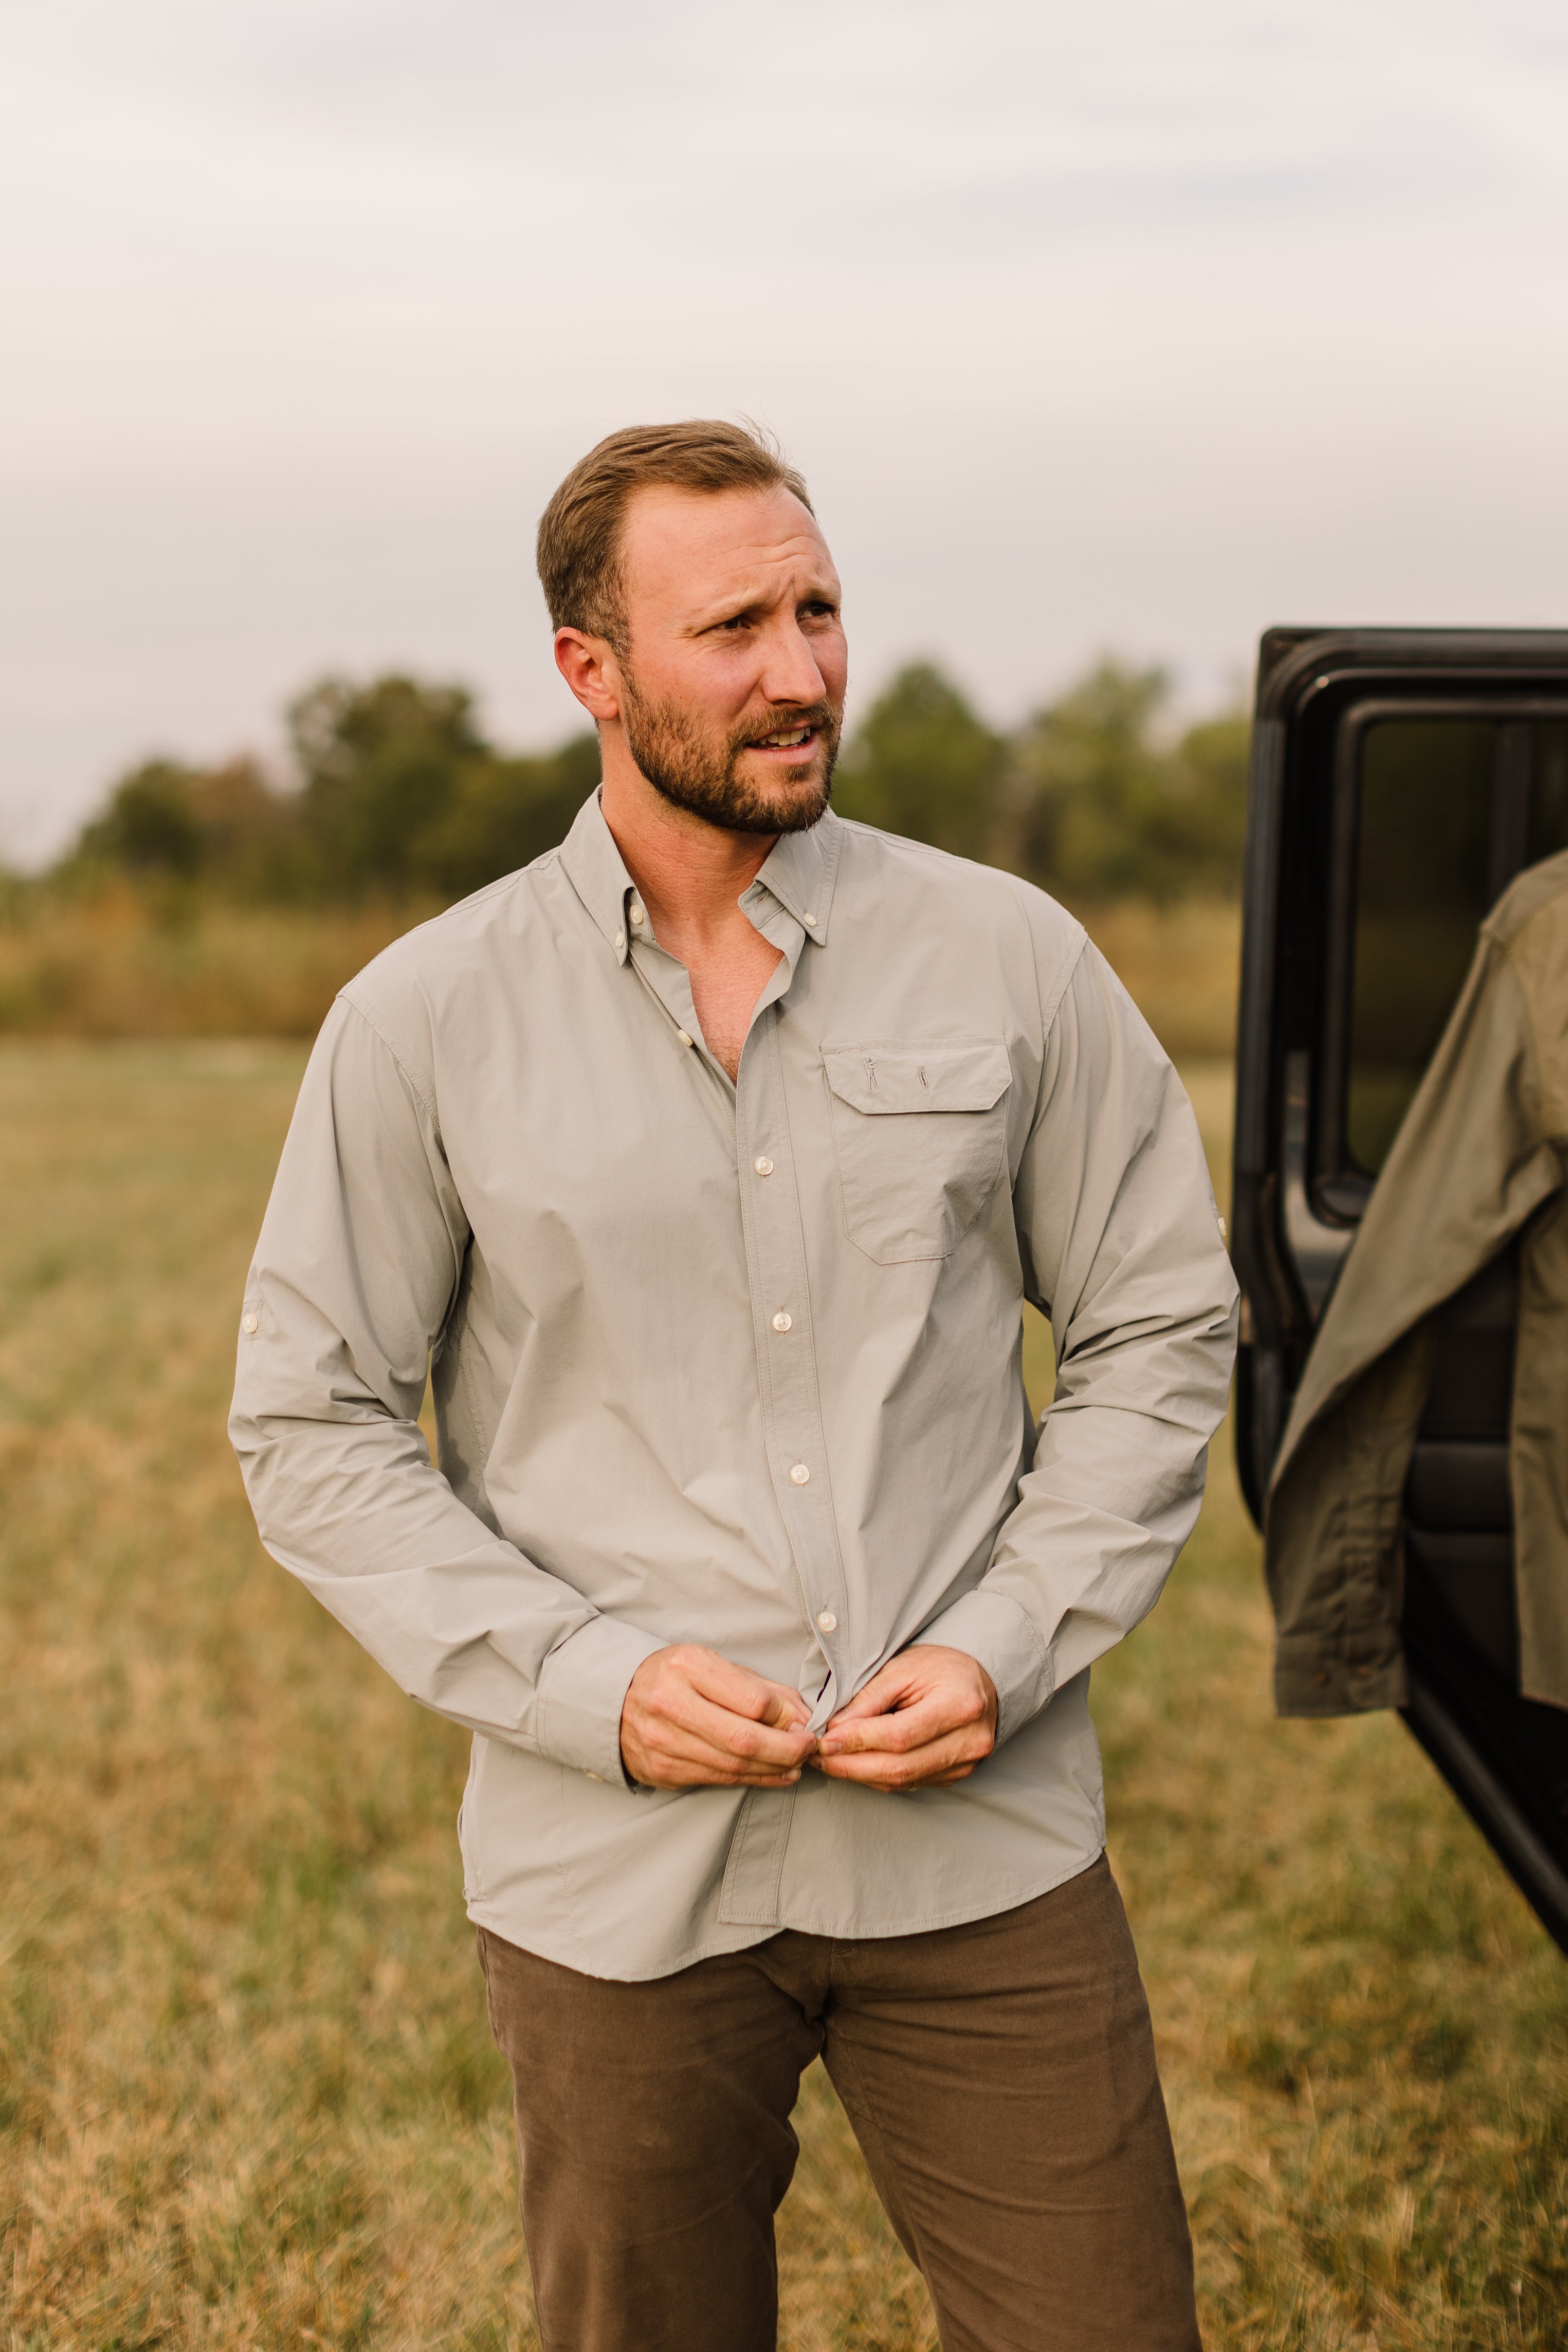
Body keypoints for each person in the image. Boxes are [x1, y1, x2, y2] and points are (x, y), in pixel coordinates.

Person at [230, 420, 1237, 2352]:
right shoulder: (423, 1020)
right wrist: (589, 1686)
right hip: (610, 1883)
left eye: (820, 609)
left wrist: (1013, 1639)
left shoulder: (1008, 956)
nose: (799, 673)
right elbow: (315, 1425)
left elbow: (1153, 1326)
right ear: (587, 669)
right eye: (732, 628)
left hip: (983, 1848)